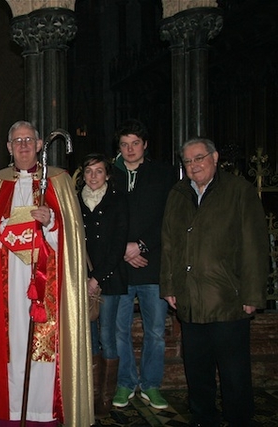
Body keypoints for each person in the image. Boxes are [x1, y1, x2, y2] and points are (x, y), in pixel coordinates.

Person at [0, 121, 93, 426]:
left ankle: (42, 411)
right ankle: (11, 411)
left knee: (45, 346)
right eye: (16, 140)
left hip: (47, 283)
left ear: (39, 145)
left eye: (28, 140)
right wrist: (1, 228)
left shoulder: (59, 180)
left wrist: (50, 223)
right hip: (8, 282)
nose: (23, 145)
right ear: (8, 148)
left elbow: (72, 240)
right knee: (13, 344)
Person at [161, 138, 269, 426]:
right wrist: (169, 287)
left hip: (228, 300)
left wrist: (252, 295)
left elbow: (254, 247)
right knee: (197, 371)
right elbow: (169, 244)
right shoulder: (178, 193)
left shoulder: (238, 191)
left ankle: (238, 419)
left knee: (234, 373)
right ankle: (203, 419)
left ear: (215, 157)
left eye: (199, 158)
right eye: (188, 161)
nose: (194, 166)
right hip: (190, 300)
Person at [111, 119, 175, 410]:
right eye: (124, 144)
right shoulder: (109, 174)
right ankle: (125, 382)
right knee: (119, 330)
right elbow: (99, 217)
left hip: (152, 264)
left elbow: (169, 218)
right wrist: (122, 248)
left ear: (145, 145)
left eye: (135, 143)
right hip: (120, 266)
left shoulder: (164, 174)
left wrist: (142, 246)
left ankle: (151, 385)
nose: (130, 149)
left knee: (156, 331)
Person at [78, 153, 129, 418]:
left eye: (99, 171)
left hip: (109, 279)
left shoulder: (118, 201)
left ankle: (106, 400)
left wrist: (97, 278)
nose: (94, 176)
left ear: (107, 174)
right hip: (82, 280)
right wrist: (85, 279)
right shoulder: (76, 201)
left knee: (108, 336)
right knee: (89, 340)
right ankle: (92, 397)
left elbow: (119, 243)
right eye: (89, 172)